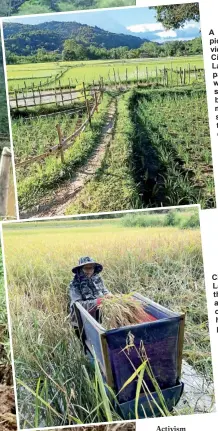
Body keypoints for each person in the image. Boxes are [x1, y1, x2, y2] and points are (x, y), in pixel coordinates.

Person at [69, 256, 112, 331]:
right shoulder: (74, 284)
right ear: (81, 269)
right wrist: (98, 301)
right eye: (86, 268)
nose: (89, 271)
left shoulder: (97, 278)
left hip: (98, 313)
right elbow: (78, 305)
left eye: (91, 268)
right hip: (82, 319)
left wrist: (108, 295)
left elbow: (104, 290)